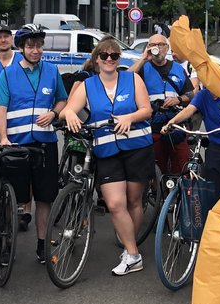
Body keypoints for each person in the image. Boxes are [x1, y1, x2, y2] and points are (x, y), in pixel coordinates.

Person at [61, 37, 154, 275]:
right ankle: (133, 254)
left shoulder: (133, 79)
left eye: (114, 56)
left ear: (119, 59)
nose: (109, 60)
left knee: (134, 201)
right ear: (96, 59)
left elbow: (146, 109)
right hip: (107, 151)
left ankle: (129, 248)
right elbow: (67, 109)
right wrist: (70, 114)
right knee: (115, 204)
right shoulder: (87, 85)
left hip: (136, 148)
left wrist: (129, 118)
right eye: (104, 56)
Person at [0, 24, 68, 264]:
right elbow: (1, 108)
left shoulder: (51, 70)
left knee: (44, 197)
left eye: (39, 46)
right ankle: (5, 242)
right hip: (16, 145)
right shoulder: (7, 73)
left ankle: (41, 244)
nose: (36, 50)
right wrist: (3, 137)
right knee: (13, 196)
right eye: (30, 46)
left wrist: (54, 115)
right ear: (21, 48)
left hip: (44, 144)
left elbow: (62, 100)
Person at [162, 79, 220, 201]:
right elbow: (189, 110)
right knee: (214, 189)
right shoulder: (203, 95)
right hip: (214, 148)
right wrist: (172, 122)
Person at [133, 32, 194, 175]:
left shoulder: (178, 69)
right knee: (156, 166)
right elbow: (125, 80)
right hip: (152, 124)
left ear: (166, 48)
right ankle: (158, 194)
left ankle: (178, 194)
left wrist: (178, 99)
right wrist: (143, 59)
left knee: (182, 164)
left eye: (161, 45)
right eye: (153, 45)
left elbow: (191, 94)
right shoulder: (143, 68)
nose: (157, 48)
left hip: (175, 123)